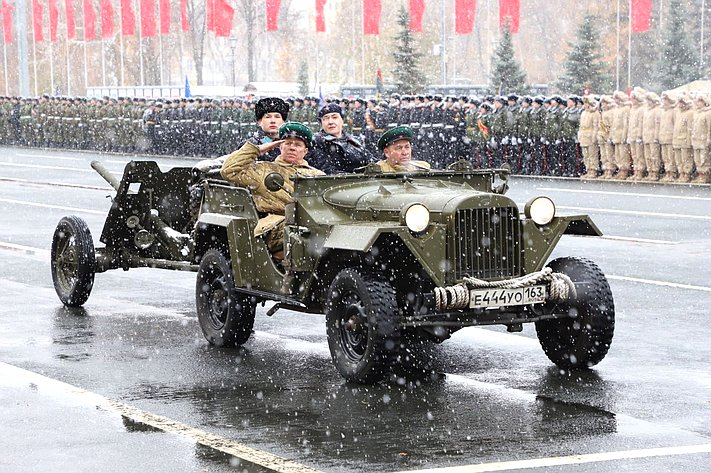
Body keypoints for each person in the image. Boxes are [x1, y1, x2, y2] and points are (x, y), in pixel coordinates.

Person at [220, 122, 324, 259]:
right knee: (301, 235)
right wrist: (257, 150)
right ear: (280, 146)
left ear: (305, 151)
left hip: (312, 223)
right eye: (288, 143)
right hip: (276, 224)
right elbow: (228, 171)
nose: (292, 148)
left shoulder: (318, 176)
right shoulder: (264, 170)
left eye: (298, 145)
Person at [309, 103, 374, 174]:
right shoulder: (316, 142)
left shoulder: (354, 141)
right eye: (326, 118)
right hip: (338, 183)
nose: (330, 122)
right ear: (321, 123)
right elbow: (327, 170)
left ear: (342, 120)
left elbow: (371, 161)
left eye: (334, 117)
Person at [241, 97, 290, 161]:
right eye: (268, 117)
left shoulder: (291, 145)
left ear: (283, 121)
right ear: (259, 122)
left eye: (277, 117)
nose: (273, 121)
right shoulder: (249, 146)